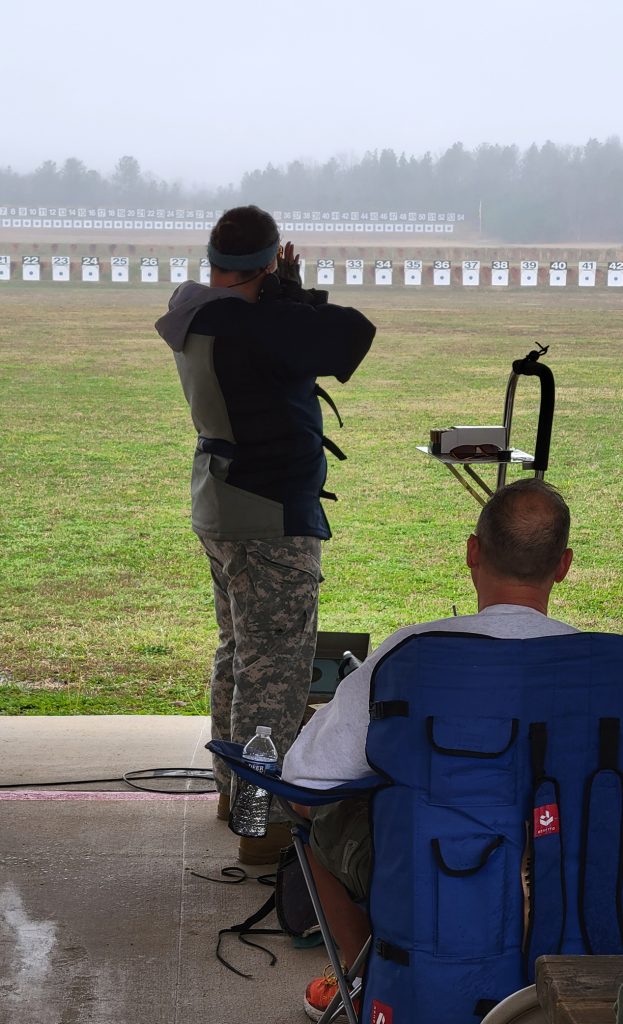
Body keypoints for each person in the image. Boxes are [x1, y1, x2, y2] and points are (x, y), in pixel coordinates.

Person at [281, 478, 576, 1021]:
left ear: (472, 552)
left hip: (435, 878)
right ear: (563, 566)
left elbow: (306, 781)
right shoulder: (599, 670)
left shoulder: (407, 656)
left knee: (316, 816)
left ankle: (364, 975)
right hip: (570, 876)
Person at [155, 205, 375, 865]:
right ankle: (265, 829)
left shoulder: (197, 312)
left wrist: (274, 293)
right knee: (274, 673)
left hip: (223, 505)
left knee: (238, 658)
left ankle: (234, 795)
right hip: (266, 517)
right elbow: (348, 337)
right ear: (266, 263)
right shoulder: (253, 327)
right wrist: (287, 292)